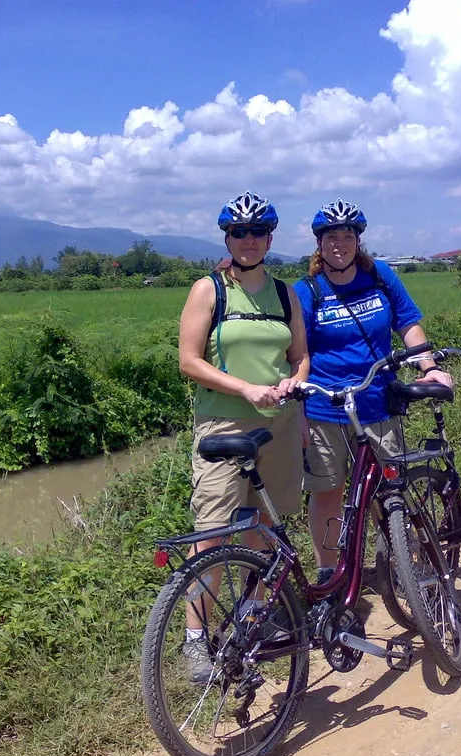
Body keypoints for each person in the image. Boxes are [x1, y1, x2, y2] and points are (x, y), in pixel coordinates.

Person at [177, 191, 309, 681]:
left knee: (266, 530)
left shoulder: (283, 293)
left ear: (270, 237)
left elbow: (300, 353)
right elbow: (189, 361)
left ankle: (253, 618)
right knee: (211, 534)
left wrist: (294, 380)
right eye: (239, 232)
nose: (248, 240)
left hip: (280, 423)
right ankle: (195, 641)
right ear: (227, 238)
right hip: (225, 426)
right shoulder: (208, 290)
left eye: (257, 232)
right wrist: (247, 389)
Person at [293, 199, 454, 584]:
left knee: (389, 486)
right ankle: (330, 573)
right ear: (320, 243)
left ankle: (403, 560)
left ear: (358, 240)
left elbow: (409, 323)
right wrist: (296, 411)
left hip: (377, 402)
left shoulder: (380, 276)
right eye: (331, 236)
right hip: (325, 408)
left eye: (347, 235)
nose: (339, 243)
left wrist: (428, 366)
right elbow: (297, 354)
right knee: (328, 492)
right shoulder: (308, 291)